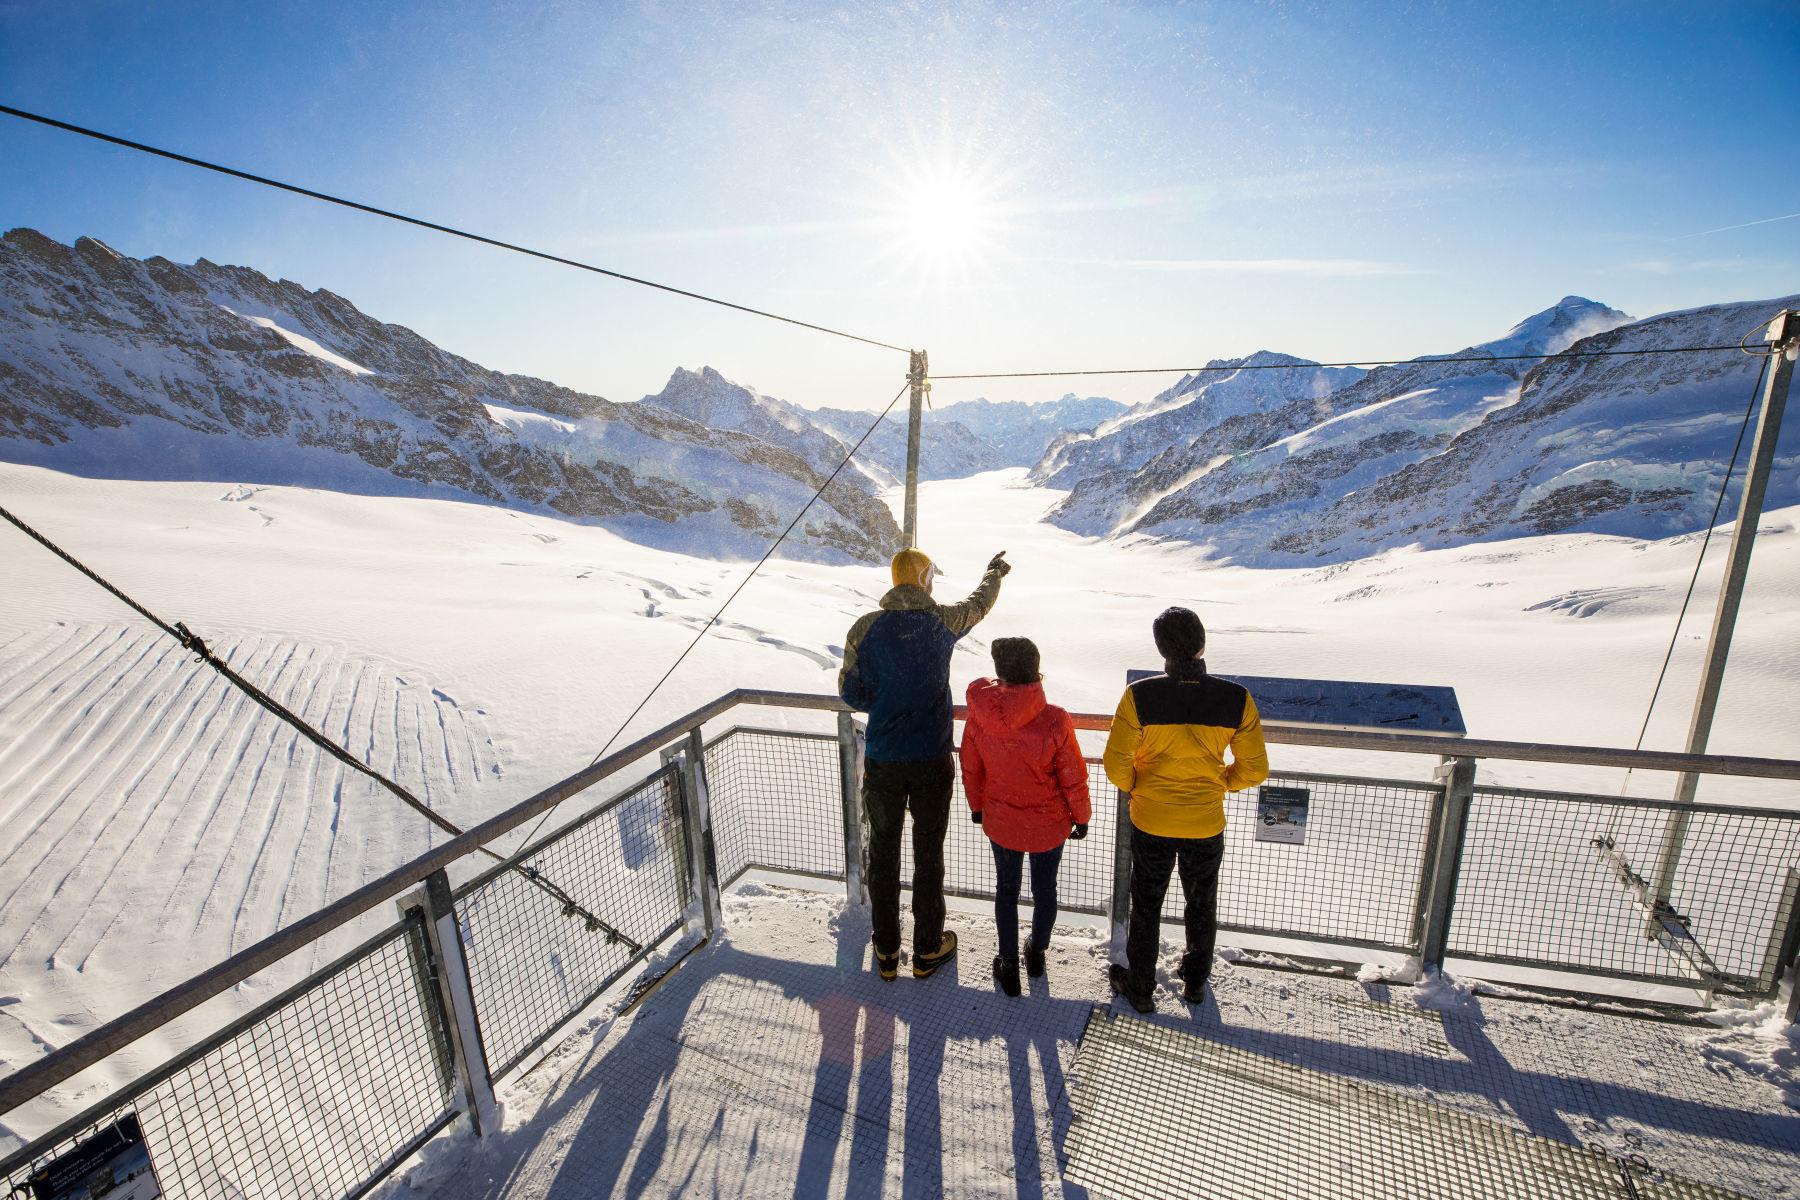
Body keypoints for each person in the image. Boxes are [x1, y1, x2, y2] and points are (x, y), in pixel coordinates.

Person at [840, 546, 1010, 981]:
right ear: (921, 579)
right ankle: (928, 949)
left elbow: (852, 693)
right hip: (932, 759)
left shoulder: (865, 628)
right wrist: (994, 573)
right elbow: (979, 604)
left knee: (883, 851)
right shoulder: (941, 622)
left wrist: (886, 699)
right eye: (930, 574)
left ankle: (886, 949)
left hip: (884, 760)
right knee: (928, 854)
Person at [1103, 606, 1267, 1012]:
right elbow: (1255, 769)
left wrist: (1139, 787)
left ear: (1160, 648)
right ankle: (1195, 981)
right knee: (1201, 901)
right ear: (1202, 643)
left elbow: (1115, 764)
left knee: (1147, 903)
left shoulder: (1140, 695)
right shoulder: (1236, 699)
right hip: (1205, 821)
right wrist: (1222, 783)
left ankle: (1139, 986)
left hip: (1151, 819)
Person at [959, 637, 1091, 998]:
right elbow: (1072, 775)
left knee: (1007, 890)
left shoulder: (980, 715)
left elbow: (970, 766)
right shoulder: (1054, 720)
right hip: (1048, 824)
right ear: (1035, 670)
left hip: (1001, 820)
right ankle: (1036, 952)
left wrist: (977, 807)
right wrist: (1081, 816)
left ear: (1000, 671)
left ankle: (1008, 964)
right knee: (1045, 890)